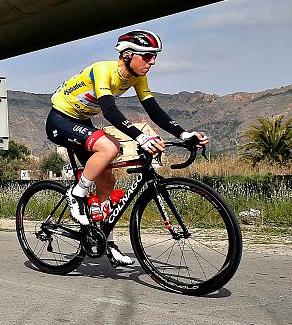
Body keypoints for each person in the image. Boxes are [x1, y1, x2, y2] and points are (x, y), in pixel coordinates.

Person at [46, 29, 209, 267]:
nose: (152, 61)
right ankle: (76, 194)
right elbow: (110, 111)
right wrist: (141, 137)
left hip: (82, 121)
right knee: (110, 147)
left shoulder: (137, 77)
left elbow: (153, 110)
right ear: (127, 55)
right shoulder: (103, 70)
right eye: (147, 56)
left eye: (154, 56)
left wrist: (184, 134)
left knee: (107, 183)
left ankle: (106, 242)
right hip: (60, 119)